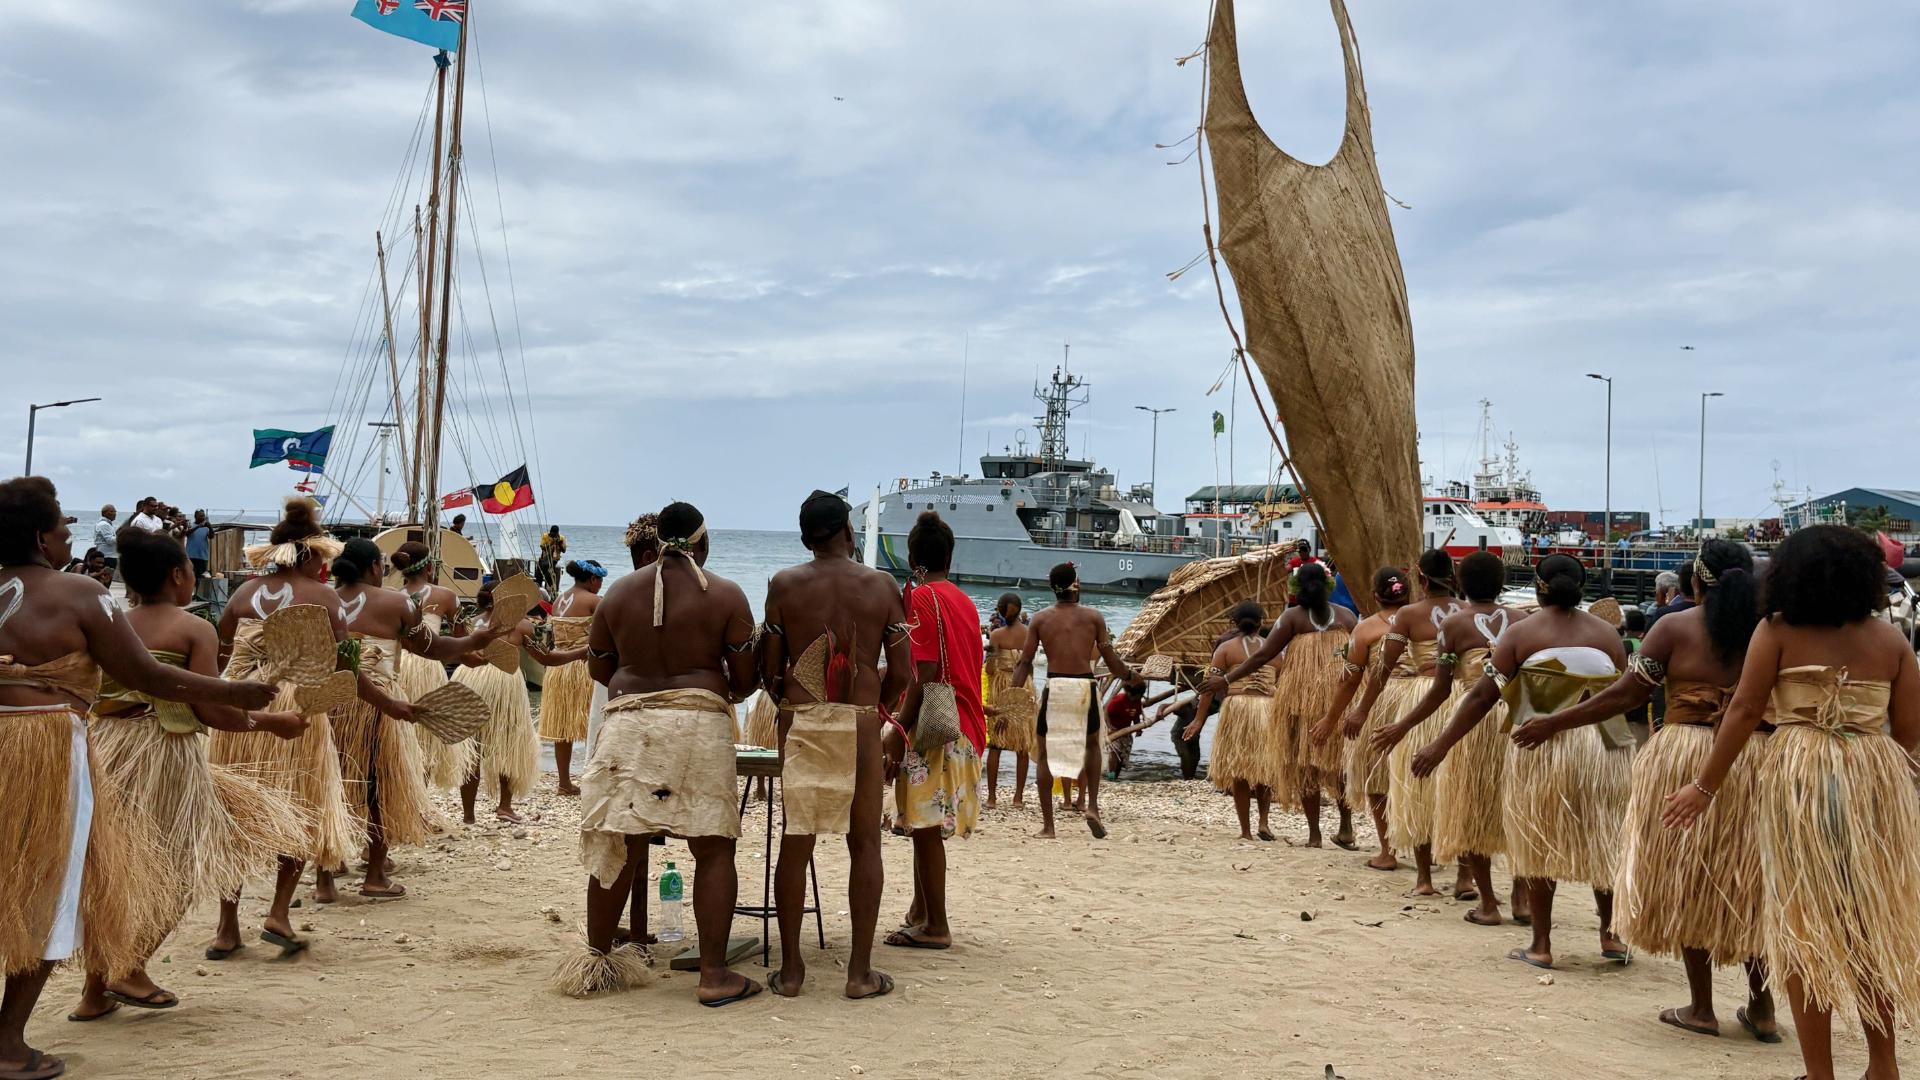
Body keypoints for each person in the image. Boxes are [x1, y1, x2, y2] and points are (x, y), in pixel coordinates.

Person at [0, 477, 275, 1077]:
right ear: (41, 537)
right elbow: (149, 676)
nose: (69, 536)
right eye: (62, 528)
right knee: (48, 885)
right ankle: (8, 1046)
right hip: (43, 748)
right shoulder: (79, 592)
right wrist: (239, 693)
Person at [1664, 526, 1920, 1080]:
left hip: (1801, 781)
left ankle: (1820, 1074)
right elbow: (1908, 736)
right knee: (1868, 922)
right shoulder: (1891, 640)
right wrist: (1874, 779)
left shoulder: (1776, 630)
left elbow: (1744, 711)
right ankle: (1884, 1067)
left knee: (1804, 925)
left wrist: (1702, 788)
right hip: (1874, 782)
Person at [1532, 539, 1775, 1039]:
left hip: (1685, 758)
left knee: (1685, 875)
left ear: (1694, 582)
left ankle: (1702, 1008)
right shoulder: (1773, 630)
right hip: (1755, 758)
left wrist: (1555, 721)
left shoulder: (1674, 627)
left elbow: (1625, 694)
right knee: (1752, 879)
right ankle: (1763, 1008)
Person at [71, 527, 309, 1022]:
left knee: (113, 871)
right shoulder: (191, 628)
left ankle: (95, 993)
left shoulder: (111, 623)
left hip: (103, 748)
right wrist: (273, 723)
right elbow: (212, 713)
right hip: (162, 751)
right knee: (178, 868)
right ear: (180, 575)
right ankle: (129, 968)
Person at [569, 502, 759, 1004]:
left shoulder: (617, 594)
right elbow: (744, 681)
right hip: (699, 721)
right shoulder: (727, 594)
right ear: (701, 543)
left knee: (619, 843)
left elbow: (598, 668)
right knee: (713, 847)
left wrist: (644, 689)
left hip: (628, 722)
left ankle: (598, 964)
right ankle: (714, 977)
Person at [1432, 553, 1630, 969]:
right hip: (1605, 749)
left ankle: (1541, 945)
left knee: (1539, 835)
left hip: (1543, 746)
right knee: (1604, 834)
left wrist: (1441, 744)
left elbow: (1483, 697)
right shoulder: (1610, 636)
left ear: (1539, 587)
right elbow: (1624, 694)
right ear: (1583, 585)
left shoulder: (1521, 634)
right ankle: (1611, 936)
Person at [760, 492, 910, 999]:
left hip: (801, 720)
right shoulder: (882, 585)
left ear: (805, 539)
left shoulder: (783, 585)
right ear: (849, 531)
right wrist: (877, 709)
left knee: (795, 841)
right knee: (864, 842)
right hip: (861, 721)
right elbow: (904, 672)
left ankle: (793, 971)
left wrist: (793, 699)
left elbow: (769, 671)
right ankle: (859, 974)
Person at [207, 497, 366, 959]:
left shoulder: (241, 595)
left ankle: (226, 927)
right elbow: (343, 662)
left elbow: (220, 650)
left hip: (238, 706)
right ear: (315, 554)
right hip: (294, 706)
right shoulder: (326, 596)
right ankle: (278, 913)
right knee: (299, 801)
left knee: (231, 811)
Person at [325, 539, 501, 899]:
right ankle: (374, 875)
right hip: (376, 702)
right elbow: (433, 648)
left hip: (326, 698)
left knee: (326, 779)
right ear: (375, 567)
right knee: (378, 783)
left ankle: (325, 879)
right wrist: (474, 641)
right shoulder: (396, 603)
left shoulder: (319, 600)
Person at [1407, 551, 1533, 925]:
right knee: (1518, 804)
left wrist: (1406, 727)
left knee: (1473, 806)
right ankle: (1522, 899)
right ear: (1502, 583)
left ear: (1461, 584)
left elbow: (1440, 691)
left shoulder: (1452, 626)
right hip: (1518, 719)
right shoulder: (1525, 622)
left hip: (1471, 721)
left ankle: (1489, 904)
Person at [882, 510, 984, 951]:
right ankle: (920, 911)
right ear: (950, 554)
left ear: (912, 557)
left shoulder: (921, 598)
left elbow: (922, 674)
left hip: (934, 727)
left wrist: (895, 729)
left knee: (923, 829)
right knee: (924, 824)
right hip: (965, 723)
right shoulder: (964, 600)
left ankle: (936, 925)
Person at [1201, 562, 1359, 848]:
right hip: (1338, 700)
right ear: (1329, 586)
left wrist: (1226, 679)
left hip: (1301, 700)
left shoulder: (1292, 618)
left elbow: (1262, 656)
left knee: (1306, 764)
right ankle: (1345, 827)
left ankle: (1314, 836)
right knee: (1338, 765)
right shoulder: (1348, 617)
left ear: (1296, 589)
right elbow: (1361, 660)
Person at [1350, 550, 1465, 897]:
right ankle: (1465, 877)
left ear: (1422, 581)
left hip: (1425, 698)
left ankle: (1425, 880)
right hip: (1466, 699)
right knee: (1462, 783)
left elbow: (1383, 669)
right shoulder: (1472, 613)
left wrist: (1362, 711)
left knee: (1419, 786)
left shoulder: (1409, 615)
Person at [1013, 562, 1137, 840]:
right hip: (1084, 687)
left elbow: (1025, 661)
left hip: (1055, 687)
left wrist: (1012, 695)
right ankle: (1091, 806)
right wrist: (1132, 676)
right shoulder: (1094, 617)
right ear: (1075, 585)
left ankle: (1049, 826)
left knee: (1045, 755)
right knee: (1091, 745)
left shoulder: (1041, 619)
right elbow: (1112, 661)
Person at [452, 581, 575, 825]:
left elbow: (457, 652)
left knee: (472, 748)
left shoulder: (469, 623)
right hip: (503, 682)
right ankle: (504, 807)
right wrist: (582, 652)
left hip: (468, 679)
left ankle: (468, 814)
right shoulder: (521, 625)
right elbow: (546, 658)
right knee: (509, 745)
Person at [1312, 567, 1410, 868]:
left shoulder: (1366, 629)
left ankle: (1387, 852)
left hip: (1382, 703)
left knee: (1377, 778)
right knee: (1418, 775)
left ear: (1376, 596)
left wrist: (1330, 719)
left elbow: (1351, 679)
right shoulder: (1426, 621)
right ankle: (1425, 848)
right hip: (1426, 704)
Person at [1187, 600, 1284, 841]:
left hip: (1238, 708)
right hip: (1267, 708)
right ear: (1262, 623)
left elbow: (1208, 688)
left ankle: (1246, 831)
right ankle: (1264, 822)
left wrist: (1199, 720)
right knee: (1265, 767)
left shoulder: (1225, 649)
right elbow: (1281, 684)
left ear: (1233, 623)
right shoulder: (1275, 650)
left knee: (1239, 770)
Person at [539, 559, 607, 796]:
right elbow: (604, 634)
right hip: (581, 667)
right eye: (600, 581)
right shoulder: (595, 601)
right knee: (594, 723)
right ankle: (594, 778)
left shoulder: (559, 599)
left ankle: (564, 783)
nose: (600, 585)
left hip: (558, 668)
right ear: (592, 579)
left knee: (562, 727)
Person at [982, 593, 1038, 808]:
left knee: (996, 744)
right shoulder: (1030, 634)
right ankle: (1018, 798)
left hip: (1002, 687)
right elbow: (1030, 666)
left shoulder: (996, 635)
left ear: (1000, 611)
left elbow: (989, 669)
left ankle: (992, 798)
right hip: (1024, 686)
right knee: (1022, 744)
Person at [1103, 678, 1146, 779]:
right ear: (1130, 693)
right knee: (1114, 751)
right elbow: (1105, 712)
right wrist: (1109, 728)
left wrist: (1138, 728)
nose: (1139, 698)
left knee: (1123, 754)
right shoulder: (1118, 701)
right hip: (1113, 729)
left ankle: (1115, 776)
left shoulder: (1137, 701)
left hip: (1126, 730)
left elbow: (1136, 715)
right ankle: (1111, 775)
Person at [183, 511, 212, 581]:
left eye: (203, 516)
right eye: (200, 516)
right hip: (191, 555)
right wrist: (198, 527)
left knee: (201, 577)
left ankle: (198, 591)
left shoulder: (206, 527)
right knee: (190, 576)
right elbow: (187, 533)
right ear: (195, 517)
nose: (203, 518)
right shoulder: (191, 525)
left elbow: (211, 536)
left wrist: (210, 528)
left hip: (202, 556)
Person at [538, 525, 567, 593]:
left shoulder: (561, 538)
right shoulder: (545, 536)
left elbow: (564, 550)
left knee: (549, 575)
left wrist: (559, 544)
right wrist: (551, 543)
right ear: (550, 532)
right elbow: (542, 547)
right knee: (539, 575)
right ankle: (539, 588)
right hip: (544, 558)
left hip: (554, 560)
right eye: (552, 534)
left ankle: (549, 590)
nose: (554, 536)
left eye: (555, 534)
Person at [91, 505, 117, 574]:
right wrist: (122, 537)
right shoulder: (104, 524)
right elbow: (110, 540)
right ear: (104, 513)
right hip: (107, 556)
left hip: (109, 555)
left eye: (115, 511)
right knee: (107, 576)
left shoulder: (107, 524)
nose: (114, 513)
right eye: (111, 511)